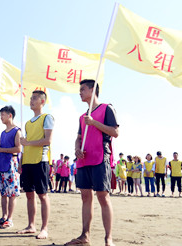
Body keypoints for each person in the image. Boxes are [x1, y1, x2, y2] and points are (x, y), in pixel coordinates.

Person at [67, 79, 118, 246]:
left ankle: (108, 238)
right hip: (84, 160)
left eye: (82, 89)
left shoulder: (106, 108)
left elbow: (115, 132)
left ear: (93, 90)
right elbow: (79, 137)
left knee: (103, 196)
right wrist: (76, 149)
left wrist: (94, 122)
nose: (79, 92)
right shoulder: (82, 116)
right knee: (85, 196)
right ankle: (84, 235)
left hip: (100, 157)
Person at [16, 90, 54, 240]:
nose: (31, 101)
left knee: (42, 195)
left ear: (42, 101)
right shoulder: (27, 123)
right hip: (27, 162)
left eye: (35, 98)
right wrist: (21, 162)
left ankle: (44, 228)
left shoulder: (47, 117)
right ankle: (31, 225)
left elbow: (47, 140)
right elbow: (25, 146)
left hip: (41, 161)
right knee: (29, 195)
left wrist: (28, 143)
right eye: (31, 98)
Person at [0, 106, 21, 229]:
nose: (1, 117)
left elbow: (18, 149)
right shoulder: (3, 133)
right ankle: (3, 217)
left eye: (3, 115)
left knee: (12, 194)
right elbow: (1, 148)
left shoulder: (17, 131)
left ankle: (10, 218)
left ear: (10, 115)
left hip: (11, 165)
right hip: (1, 165)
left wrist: (1, 149)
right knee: (3, 193)